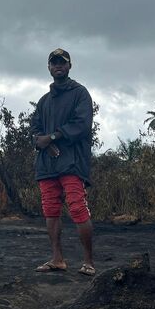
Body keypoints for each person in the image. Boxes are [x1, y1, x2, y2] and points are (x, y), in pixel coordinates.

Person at [31, 48, 96, 276]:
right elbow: (35, 129)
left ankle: (88, 262)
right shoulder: (44, 101)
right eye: (54, 62)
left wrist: (54, 137)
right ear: (49, 67)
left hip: (72, 163)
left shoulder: (80, 94)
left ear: (69, 66)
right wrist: (44, 142)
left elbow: (81, 125)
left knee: (77, 208)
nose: (58, 65)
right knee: (50, 210)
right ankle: (57, 259)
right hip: (47, 165)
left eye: (62, 62)